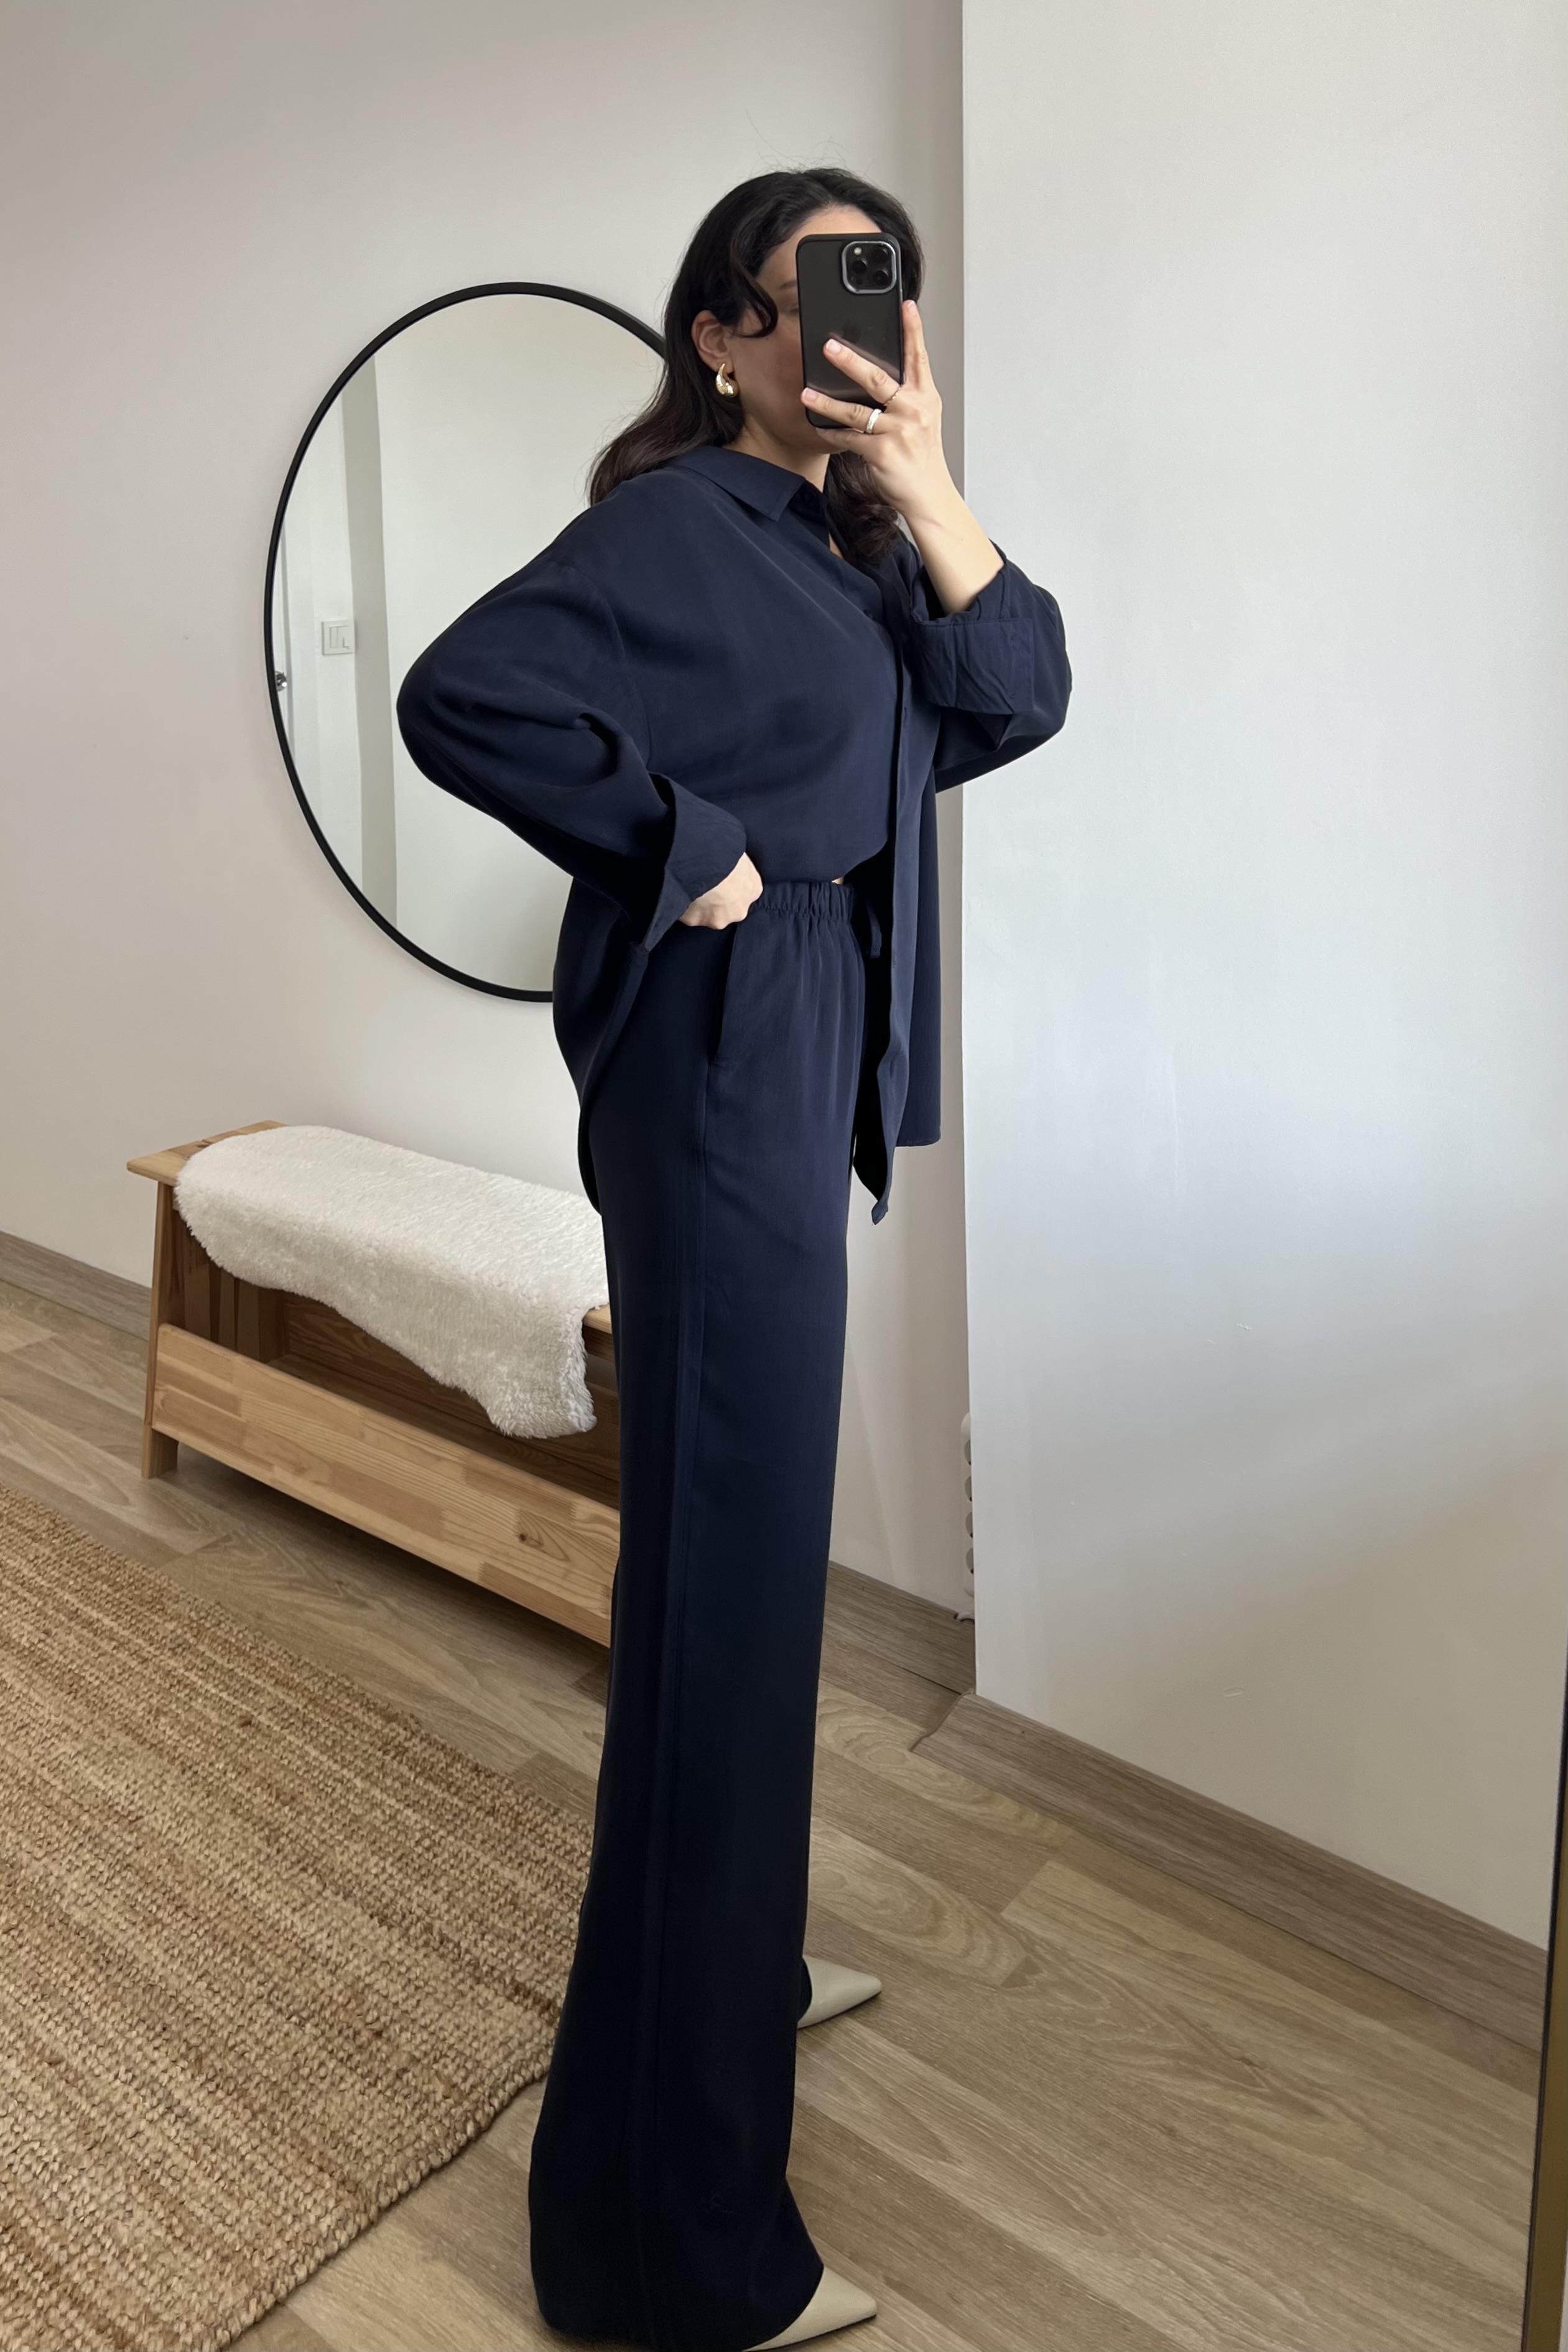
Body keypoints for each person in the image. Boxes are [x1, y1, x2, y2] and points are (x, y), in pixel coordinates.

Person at [396, 165, 1070, 2352]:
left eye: (881, 295)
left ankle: (739, 1971)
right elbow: (458, 695)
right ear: (716, 334)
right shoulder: (676, 525)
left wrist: (927, 475)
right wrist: (682, 845)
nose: (844, 331)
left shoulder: (852, 542)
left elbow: (1023, 690)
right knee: (726, 1592)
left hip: (797, 1055)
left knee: (747, 1570)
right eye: (802, 297)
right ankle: (656, 2250)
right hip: (721, 1058)